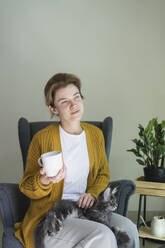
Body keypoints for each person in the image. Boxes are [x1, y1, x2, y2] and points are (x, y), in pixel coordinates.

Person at [15, 73, 139, 248]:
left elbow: (103, 173)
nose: (74, 104)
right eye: (64, 101)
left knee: (130, 230)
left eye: (77, 97)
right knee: (103, 236)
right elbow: (26, 186)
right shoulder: (41, 138)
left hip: (88, 211)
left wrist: (93, 193)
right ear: (53, 109)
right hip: (53, 216)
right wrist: (44, 180)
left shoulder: (95, 135)